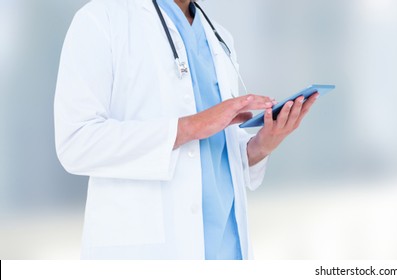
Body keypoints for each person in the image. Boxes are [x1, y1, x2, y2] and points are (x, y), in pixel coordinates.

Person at [53, 0, 317, 259]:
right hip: (149, 253)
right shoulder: (101, 20)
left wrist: (262, 145)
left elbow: (217, 154)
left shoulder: (219, 37)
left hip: (227, 248)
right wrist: (192, 126)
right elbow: (76, 143)